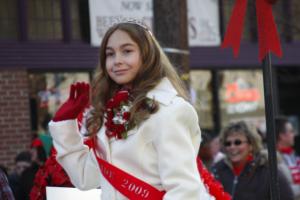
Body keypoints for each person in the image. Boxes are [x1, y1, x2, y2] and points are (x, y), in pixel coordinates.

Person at [49, 21, 219, 200]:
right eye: (110, 54)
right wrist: (65, 125)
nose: (117, 61)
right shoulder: (110, 114)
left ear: (148, 55)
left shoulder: (170, 111)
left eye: (127, 51)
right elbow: (85, 178)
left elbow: (185, 191)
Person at [212, 121, 294, 200]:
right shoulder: (218, 170)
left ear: (251, 145)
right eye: (228, 143)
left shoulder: (268, 171)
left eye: (238, 142)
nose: (232, 147)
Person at [276, 116, 300, 199]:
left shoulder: (293, 154)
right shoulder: (273, 160)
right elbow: (284, 190)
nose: (294, 135)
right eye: (291, 131)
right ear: (282, 136)